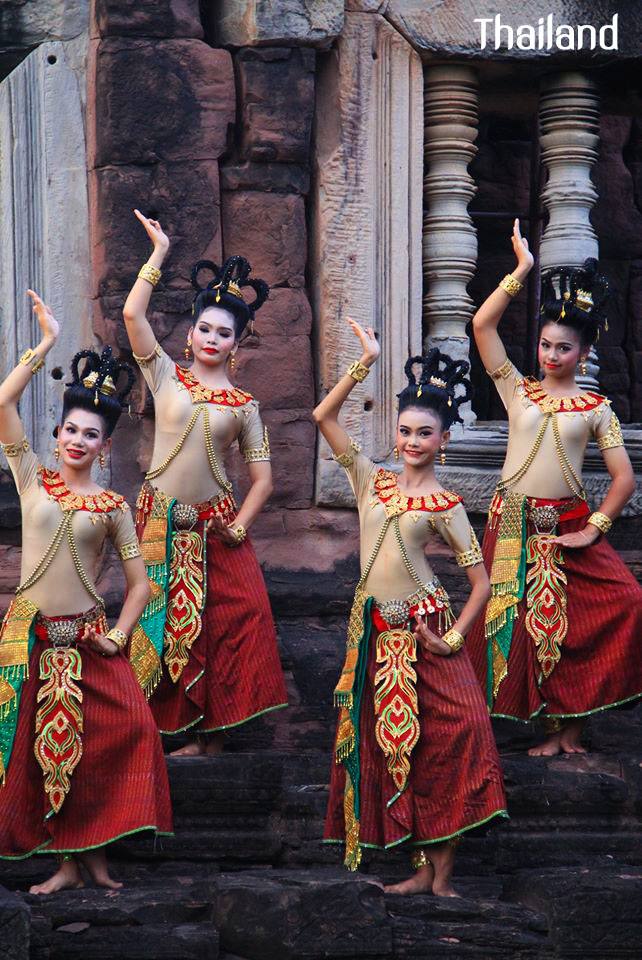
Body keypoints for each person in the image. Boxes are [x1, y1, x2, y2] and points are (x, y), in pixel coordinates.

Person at [315, 319, 507, 897]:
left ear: (444, 440)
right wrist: (363, 362)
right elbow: (323, 418)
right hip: (377, 633)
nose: (413, 441)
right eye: (404, 430)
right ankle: (422, 869)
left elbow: (483, 582)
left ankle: (442, 875)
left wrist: (452, 641)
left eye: (425, 432)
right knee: (404, 747)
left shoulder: (447, 504)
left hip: (428, 632)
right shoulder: (369, 480)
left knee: (461, 734)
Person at [0, 290, 172, 894]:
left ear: (104, 446)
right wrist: (43, 344)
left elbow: (142, 583)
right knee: (40, 752)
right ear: (57, 433)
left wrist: (119, 637)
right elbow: (2, 401)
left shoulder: (113, 506)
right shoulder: (31, 481)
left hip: (87, 643)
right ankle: (64, 862)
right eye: (70, 429)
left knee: (120, 736)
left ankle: (93, 854)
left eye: (90, 434)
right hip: (33, 641)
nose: (77, 440)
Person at [468, 219, 642, 756]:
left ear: (584, 353)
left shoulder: (595, 409)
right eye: (545, 344)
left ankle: (570, 731)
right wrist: (521, 271)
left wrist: (594, 530)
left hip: (567, 524)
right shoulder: (518, 391)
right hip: (512, 521)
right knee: (512, 623)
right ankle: (530, 729)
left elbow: (624, 479)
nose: (550, 355)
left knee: (619, 603)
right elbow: (481, 327)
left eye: (563, 348)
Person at [122, 211, 287, 755]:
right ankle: (155, 729)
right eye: (206, 328)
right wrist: (159, 254)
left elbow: (262, 479)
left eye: (226, 332)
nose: (213, 338)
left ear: (239, 342)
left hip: (214, 528)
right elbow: (131, 313)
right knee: (158, 618)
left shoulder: (244, 406)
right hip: (159, 519)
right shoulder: (165, 374)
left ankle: (210, 734)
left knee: (233, 619)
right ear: (190, 334)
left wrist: (240, 524)